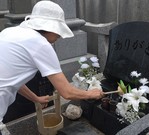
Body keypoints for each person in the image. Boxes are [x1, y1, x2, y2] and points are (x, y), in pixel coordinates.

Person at [0, 1, 104, 134]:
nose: (59, 37)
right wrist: (90, 94)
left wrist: (35, 99)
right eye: (58, 31)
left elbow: (14, 81)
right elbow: (66, 92)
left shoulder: (10, 32)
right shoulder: (41, 44)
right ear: (49, 28)